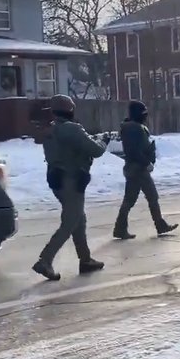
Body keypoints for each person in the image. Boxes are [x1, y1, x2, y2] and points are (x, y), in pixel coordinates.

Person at [33, 94, 110, 281]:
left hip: (56, 179)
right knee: (70, 222)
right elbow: (96, 150)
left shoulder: (52, 129)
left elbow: (71, 146)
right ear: (71, 110)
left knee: (78, 219)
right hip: (71, 180)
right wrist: (103, 140)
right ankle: (45, 260)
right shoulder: (72, 129)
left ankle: (85, 259)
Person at [113, 100, 178, 239]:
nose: (146, 116)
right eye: (144, 114)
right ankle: (159, 225)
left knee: (131, 200)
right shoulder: (133, 128)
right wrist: (146, 162)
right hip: (138, 168)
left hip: (135, 168)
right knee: (151, 197)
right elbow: (134, 151)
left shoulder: (133, 127)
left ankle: (120, 228)